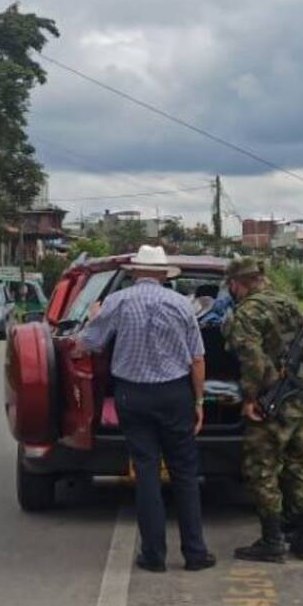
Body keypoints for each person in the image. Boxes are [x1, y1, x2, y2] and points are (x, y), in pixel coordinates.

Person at [80, 244, 215, 573]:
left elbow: (89, 343)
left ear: (136, 272)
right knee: (185, 473)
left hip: (133, 396)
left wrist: (94, 317)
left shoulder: (118, 301)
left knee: (146, 472)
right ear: (163, 274)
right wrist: (198, 401)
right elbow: (197, 359)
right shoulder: (181, 305)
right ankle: (195, 553)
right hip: (175, 395)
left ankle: (153, 555)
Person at [223, 257, 303, 562]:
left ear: (236, 284)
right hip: (301, 398)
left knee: (262, 468)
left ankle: (272, 540)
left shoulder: (247, 312)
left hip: (272, 400)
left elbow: (252, 359)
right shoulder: (289, 304)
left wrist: (250, 398)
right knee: (301, 466)